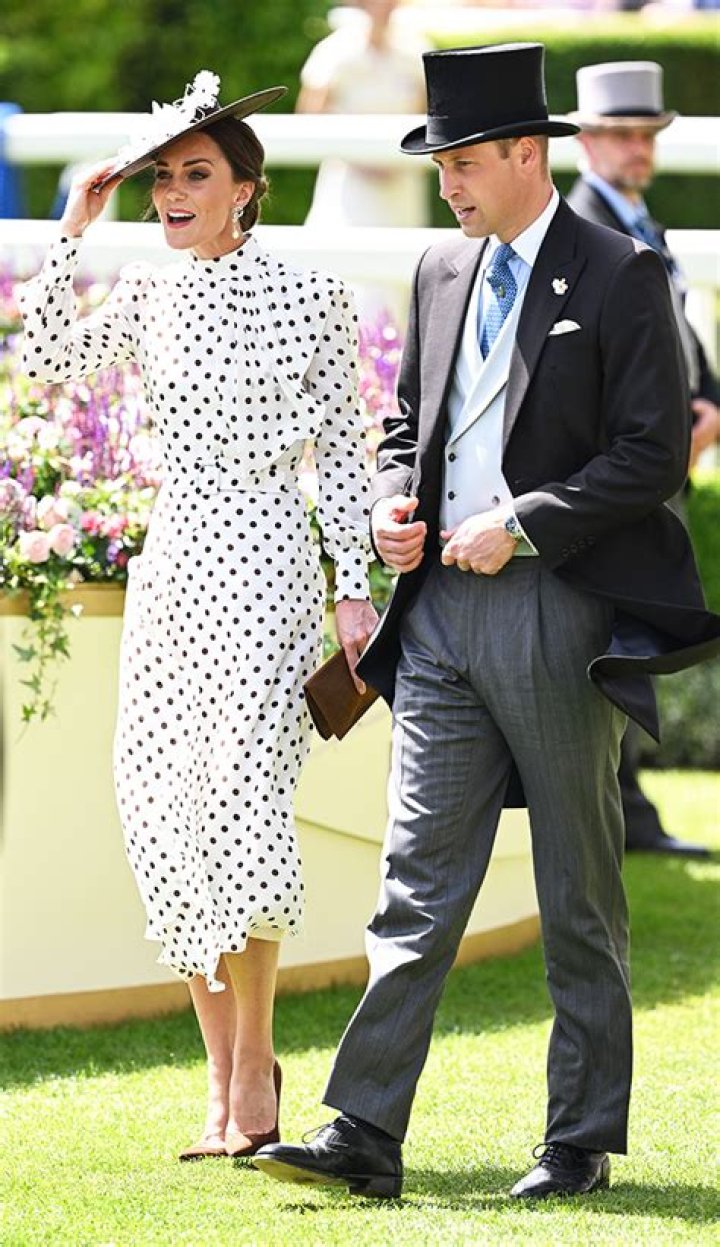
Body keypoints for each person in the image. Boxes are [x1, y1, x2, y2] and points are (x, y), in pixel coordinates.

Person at [252, 43, 720, 1201]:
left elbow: (653, 458)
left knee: (577, 886)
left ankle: (578, 1140)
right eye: (440, 160)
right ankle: (363, 1128)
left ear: (524, 152)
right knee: (416, 877)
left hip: (560, 611)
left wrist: (523, 522)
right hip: (442, 617)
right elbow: (409, 419)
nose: (447, 180)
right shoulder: (436, 269)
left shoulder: (623, 273)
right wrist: (389, 503)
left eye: (462, 160)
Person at [18, 71, 377, 1161]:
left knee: (244, 805)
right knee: (164, 803)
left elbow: (346, 457)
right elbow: (41, 356)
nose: (173, 192)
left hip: (267, 562)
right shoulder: (144, 289)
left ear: (247, 188)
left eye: (197, 173)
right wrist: (71, 230)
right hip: (173, 566)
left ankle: (257, 1067)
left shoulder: (312, 296)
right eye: (163, 176)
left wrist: (353, 584)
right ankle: (220, 1076)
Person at [567, 61, 719, 858]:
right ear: (586, 141)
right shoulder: (593, 227)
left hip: (669, 457)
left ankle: (628, 803)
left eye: (646, 134)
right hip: (634, 466)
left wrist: (712, 403)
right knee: (622, 636)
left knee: (639, 635)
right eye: (623, 134)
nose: (638, 148)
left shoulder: (640, 218)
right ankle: (620, 807)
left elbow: (682, 331)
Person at [297, 0, 427, 230]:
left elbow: (425, 111)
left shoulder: (415, 49)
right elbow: (310, 113)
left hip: (401, 184)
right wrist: (359, 157)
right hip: (348, 185)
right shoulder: (334, 50)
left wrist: (400, 158)